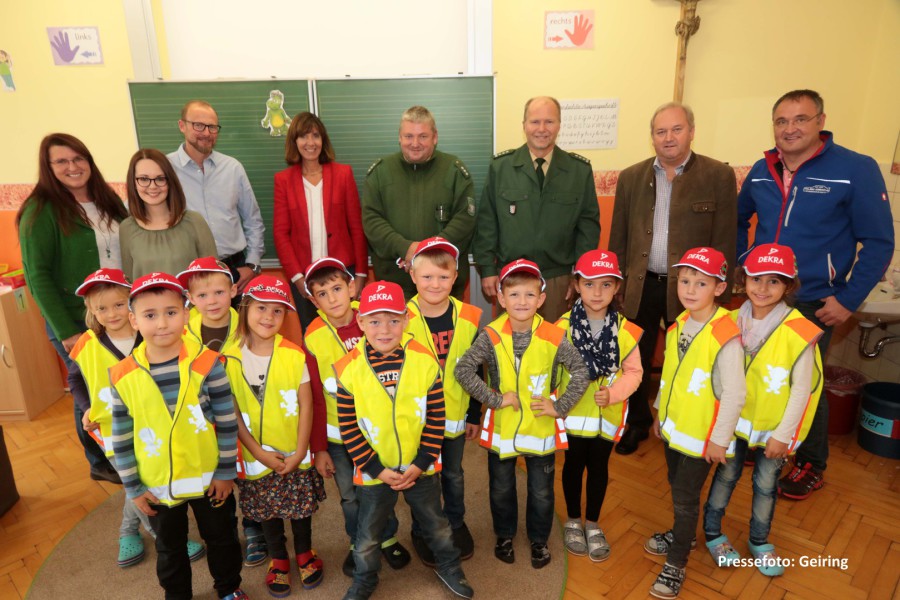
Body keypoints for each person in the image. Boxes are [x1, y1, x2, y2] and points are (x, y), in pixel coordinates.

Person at [737, 89, 894, 500]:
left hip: (813, 301)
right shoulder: (762, 169)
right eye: (781, 121)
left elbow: (879, 241)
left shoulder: (854, 169)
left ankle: (811, 462)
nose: (790, 128)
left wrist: (848, 299)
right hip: (761, 297)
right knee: (758, 371)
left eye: (800, 119)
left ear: (820, 122)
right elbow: (738, 219)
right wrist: (743, 264)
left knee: (805, 383)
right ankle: (761, 439)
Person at [609, 101, 737, 456]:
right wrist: (615, 285)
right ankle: (637, 422)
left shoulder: (717, 176)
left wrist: (720, 293)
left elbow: (725, 238)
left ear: (691, 132)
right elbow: (618, 237)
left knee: (689, 356)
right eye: (660, 131)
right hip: (641, 284)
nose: (668, 137)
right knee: (634, 356)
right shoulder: (631, 177)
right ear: (651, 137)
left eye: (676, 129)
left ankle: (681, 420)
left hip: (693, 290)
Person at [109, 272, 247, 600]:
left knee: (222, 538)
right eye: (150, 315)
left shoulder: (208, 363)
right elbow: (121, 438)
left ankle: (229, 589)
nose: (162, 323)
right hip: (158, 483)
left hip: (209, 476)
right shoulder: (123, 375)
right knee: (170, 548)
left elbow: (227, 422)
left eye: (171, 312)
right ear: (134, 320)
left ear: (186, 315)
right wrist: (133, 487)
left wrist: (225, 472)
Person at [334, 280, 473, 600]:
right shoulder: (347, 369)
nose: (385, 329)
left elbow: (436, 417)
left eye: (393, 320)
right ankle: (364, 579)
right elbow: (349, 428)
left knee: (436, 524)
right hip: (374, 472)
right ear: (361, 322)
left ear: (406, 320)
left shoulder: (425, 362)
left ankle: (449, 565)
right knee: (368, 534)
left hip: (419, 466)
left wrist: (422, 461)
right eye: (375, 321)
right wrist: (376, 469)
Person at [455, 259, 589, 569]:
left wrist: (560, 406)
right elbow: (463, 370)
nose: (522, 301)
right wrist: (493, 399)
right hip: (503, 427)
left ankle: (539, 540)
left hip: (540, 428)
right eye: (514, 294)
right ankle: (504, 535)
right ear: (501, 298)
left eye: (530, 294)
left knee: (541, 491)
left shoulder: (553, 335)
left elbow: (581, 371)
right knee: (501, 487)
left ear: (541, 299)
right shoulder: (490, 335)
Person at [70, 268, 206, 568]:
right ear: (91, 310)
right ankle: (162, 535)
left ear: (131, 305)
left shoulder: (150, 331)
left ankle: (128, 529)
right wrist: (86, 407)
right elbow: (75, 379)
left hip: (154, 424)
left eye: (119, 305)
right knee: (137, 484)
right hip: (111, 428)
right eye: (101, 308)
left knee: (146, 479)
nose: (111, 314)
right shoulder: (87, 343)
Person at [702, 243, 823, 577]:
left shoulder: (799, 331)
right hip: (733, 421)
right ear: (743, 280)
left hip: (772, 427)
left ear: (788, 286)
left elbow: (803, 390)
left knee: (766, 485)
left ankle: (759, 540)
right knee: (725, 476)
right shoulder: (729, 320)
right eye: (756, 278)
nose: (763, 288)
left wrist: (784, 435)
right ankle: (712, 533)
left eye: (774, 281)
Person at [17, 132, 128, 484]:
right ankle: (99, 459)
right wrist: (66, 331)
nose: (72, 166)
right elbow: (37, 275)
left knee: (122, 382)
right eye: (61, 161)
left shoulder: (107, 199)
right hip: (76, 318)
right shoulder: (40, 210)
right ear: (48, 167)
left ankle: (126, 449)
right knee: (90, 388)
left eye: (78, 158)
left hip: (118, 312)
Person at [644, 248, 745, 600]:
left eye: (701, 283)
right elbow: (670, 374)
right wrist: (660, 412)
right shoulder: (678, 324)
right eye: (685, 280)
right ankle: (681, 534)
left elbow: (735, 394)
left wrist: (720, 439)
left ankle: (676, 564)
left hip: (703, 437)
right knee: (677, 489)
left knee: (686, 500)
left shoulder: (725, 334)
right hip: (676, 429)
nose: (689, 289)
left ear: (719, 288)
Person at [302, 257, 411, 578]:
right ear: (313, 301)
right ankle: (358, 542)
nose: (332, 298)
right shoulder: (313, 336)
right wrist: (319, 448)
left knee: (379, 487)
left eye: (337, 288)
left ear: (352, 287)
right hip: (338, 436)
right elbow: (315, 396)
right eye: (322, 294)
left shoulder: (375, 319)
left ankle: (387, 536)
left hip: (377, 430)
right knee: (350, 495)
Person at [221, 275, 326, 595]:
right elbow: (232, 411)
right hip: (256, 456)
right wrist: (258, 451)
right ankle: (278, 557)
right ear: (244, 308)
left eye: (277, 311)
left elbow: (307, 404)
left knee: (300, 508)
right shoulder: (228, 357)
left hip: (294, 449)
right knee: (267, 510)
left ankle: (305, 552)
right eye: (261, 308)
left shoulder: (294, 354)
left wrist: (301, 450)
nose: (268, 316)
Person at [473, 96, 600, 322]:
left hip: (558, 280)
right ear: (524, 125)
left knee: (555, 340)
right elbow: (486, 222)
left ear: (559, 125)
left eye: (549, 122)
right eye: (535, 122)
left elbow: (588, 227)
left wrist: (580, 276)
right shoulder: (501, 168)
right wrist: (487, 269)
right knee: (512, 341)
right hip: (512, 278)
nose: (542, 129)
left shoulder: (578, 171)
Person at [177, 257, 269, 568]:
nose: (212, 301)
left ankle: (254, 528)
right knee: (219, 481)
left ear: (233, 290)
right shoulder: (182, 330)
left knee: (251, 479)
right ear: (190, 298)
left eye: (218, 292)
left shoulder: (248, 324)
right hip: (204, 421)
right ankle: (228, 533)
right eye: (202, 295)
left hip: (245, 415)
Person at [556, 250, 643, 562]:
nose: (597, 292)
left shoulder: (626, 330)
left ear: (616, 287)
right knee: (572, 466)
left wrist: (615, 393)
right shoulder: (561, 327)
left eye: (606, 285)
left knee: (598, 468)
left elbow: (634, 372)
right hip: (573, 414)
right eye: (589, 284)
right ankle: (572, 520)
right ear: (577, 285)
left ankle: (592, 523)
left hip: (607, 414)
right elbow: (550, 370)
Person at [405, 237, 483, 565]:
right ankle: (422, 527)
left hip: (455, 415)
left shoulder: (470, 316)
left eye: (443, 276)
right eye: (427, 276)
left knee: (453, 474)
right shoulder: (400, 317)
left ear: (455, 278)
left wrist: (474, 414)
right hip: (416, 420)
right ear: (413, 276)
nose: (435, 284)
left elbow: (477, 368)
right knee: (422, 477)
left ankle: (455, 521)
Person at [361, 105, 475, 300]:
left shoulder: (454, 170)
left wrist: (428, 251)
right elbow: (371, 220)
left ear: (435, 137)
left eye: (423, 136)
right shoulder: (380, 172)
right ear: (399, 137)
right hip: (395, 286)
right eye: (408, 136)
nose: (415, 143)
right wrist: (406, 249)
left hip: (443, 285)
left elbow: (465, 219)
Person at [273, 112, 368, 330]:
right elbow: (280, 233)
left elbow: (356, 227)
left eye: (315, 136)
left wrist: (361, 275)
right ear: (294, 141)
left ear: (323, 140)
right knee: (313, 334)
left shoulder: (343, 174)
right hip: (306, 278)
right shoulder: (283, 180)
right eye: (303, 136)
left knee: (350, 333)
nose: (310, 143)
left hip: (343, 274)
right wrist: (297, 279)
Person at [168, 100, 266, 291]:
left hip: (234, 269)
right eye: (198, 125)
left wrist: (252, 264)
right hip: (186, 270)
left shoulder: (232, 168)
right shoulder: (165, 169)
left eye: (212, 127)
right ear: (182, 126)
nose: (206, 133)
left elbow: (253, 220)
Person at [119, 148, 218, 280]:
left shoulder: (194, 222)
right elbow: (129, 282)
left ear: (170, 181)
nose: (152, 186)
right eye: (143, 179)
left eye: (160, 179)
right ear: (133, 183)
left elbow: (214, 278)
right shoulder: (127, 228)